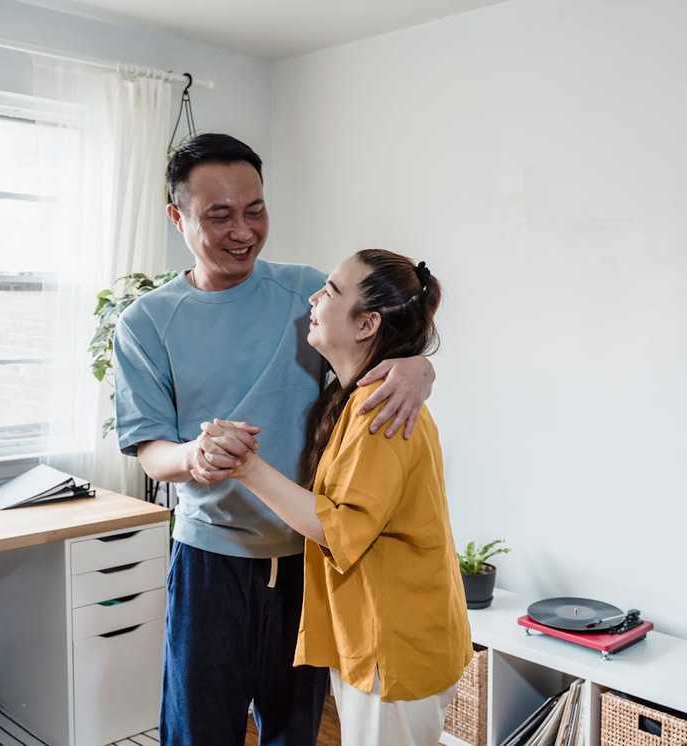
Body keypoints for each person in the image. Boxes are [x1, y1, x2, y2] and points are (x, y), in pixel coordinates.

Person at [112, 134, 436, 746]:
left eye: (255, 209)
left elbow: (380, 343)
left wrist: (421, 367)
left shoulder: (309, 294)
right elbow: (151, 450)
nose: (243, 231)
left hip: (309, 560)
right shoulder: (145, 323)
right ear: (177, 217)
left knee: (296, 728)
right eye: (219, 215)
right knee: (198, 730)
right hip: (210, 563)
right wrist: (195, 456)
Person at [228, 249, 472, 746]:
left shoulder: (378, 409)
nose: (314, 298)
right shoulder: (360, 396)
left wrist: (246, 468)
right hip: (384, 635)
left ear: (367, 325)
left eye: (332, 292)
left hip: (394, 642)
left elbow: (340, 530)